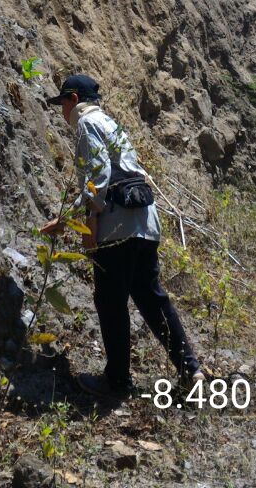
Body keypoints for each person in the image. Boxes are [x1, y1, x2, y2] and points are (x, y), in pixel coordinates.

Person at [39, 73, 205, 399]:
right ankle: (190, 370)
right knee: (150, 298)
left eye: (62, 104)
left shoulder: (87, 125)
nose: (61, 112)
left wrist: (82, 222)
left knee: (110, 302)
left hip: (117, 225)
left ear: (73, 100)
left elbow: (98, 180)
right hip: (144, 220)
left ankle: (116, 382)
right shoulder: (112, 125)